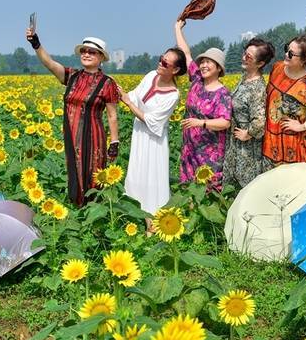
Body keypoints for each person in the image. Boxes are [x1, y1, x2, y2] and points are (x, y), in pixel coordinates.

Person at [26, 27, 119, 206]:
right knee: (74, 172)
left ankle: (94, 213)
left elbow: (112, 115)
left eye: (91, 52)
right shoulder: (72, 76)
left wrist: (114, 143)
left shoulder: (107, 83)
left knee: (93, 174)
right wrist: (35, 43)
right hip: (71, 133)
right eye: (83, 51)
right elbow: (49, 63)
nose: (86, 54)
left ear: (101, 57)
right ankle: (78, 210)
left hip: (93, 137)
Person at [118, 49, 186, 215]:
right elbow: (133, 96)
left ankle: (154, 219)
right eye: (161, 58)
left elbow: (152, 121)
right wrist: (116, 90)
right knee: (137, 171)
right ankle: (136, 212)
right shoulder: (150, 76)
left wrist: (128, 103)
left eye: (165, 63)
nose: (160, 63)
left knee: (152, 177)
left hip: (154, 140)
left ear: (175, 70)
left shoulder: (173, 95)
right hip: (139, 134)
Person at [174, 20, 232, 188]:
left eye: (209, 62)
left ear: (219, 68)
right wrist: (177, 27)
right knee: (189, 191)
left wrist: (201, 123)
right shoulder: (197, 79)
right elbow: (186, 53)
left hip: (209, 153)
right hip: (189, 148)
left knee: (207, 193)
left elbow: (225, 122)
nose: (204, 65)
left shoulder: (223, 93)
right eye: (203, 61)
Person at [261, 34, 306, 166]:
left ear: (303, 60)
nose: (286, 55)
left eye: (291, 54)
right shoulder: (277, 68)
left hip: (296, 146)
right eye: (286, 49)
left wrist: (302, 126)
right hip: (272, 142)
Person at [223, 38, 275, 188]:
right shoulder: (245, 79)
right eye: (245, 53)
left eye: (249, 57)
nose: (243, 58)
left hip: (248, 149)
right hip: (235, 143)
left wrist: (248, 134)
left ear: (260, 64)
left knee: (245, 185)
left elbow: (259, 120)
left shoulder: (257, 88)